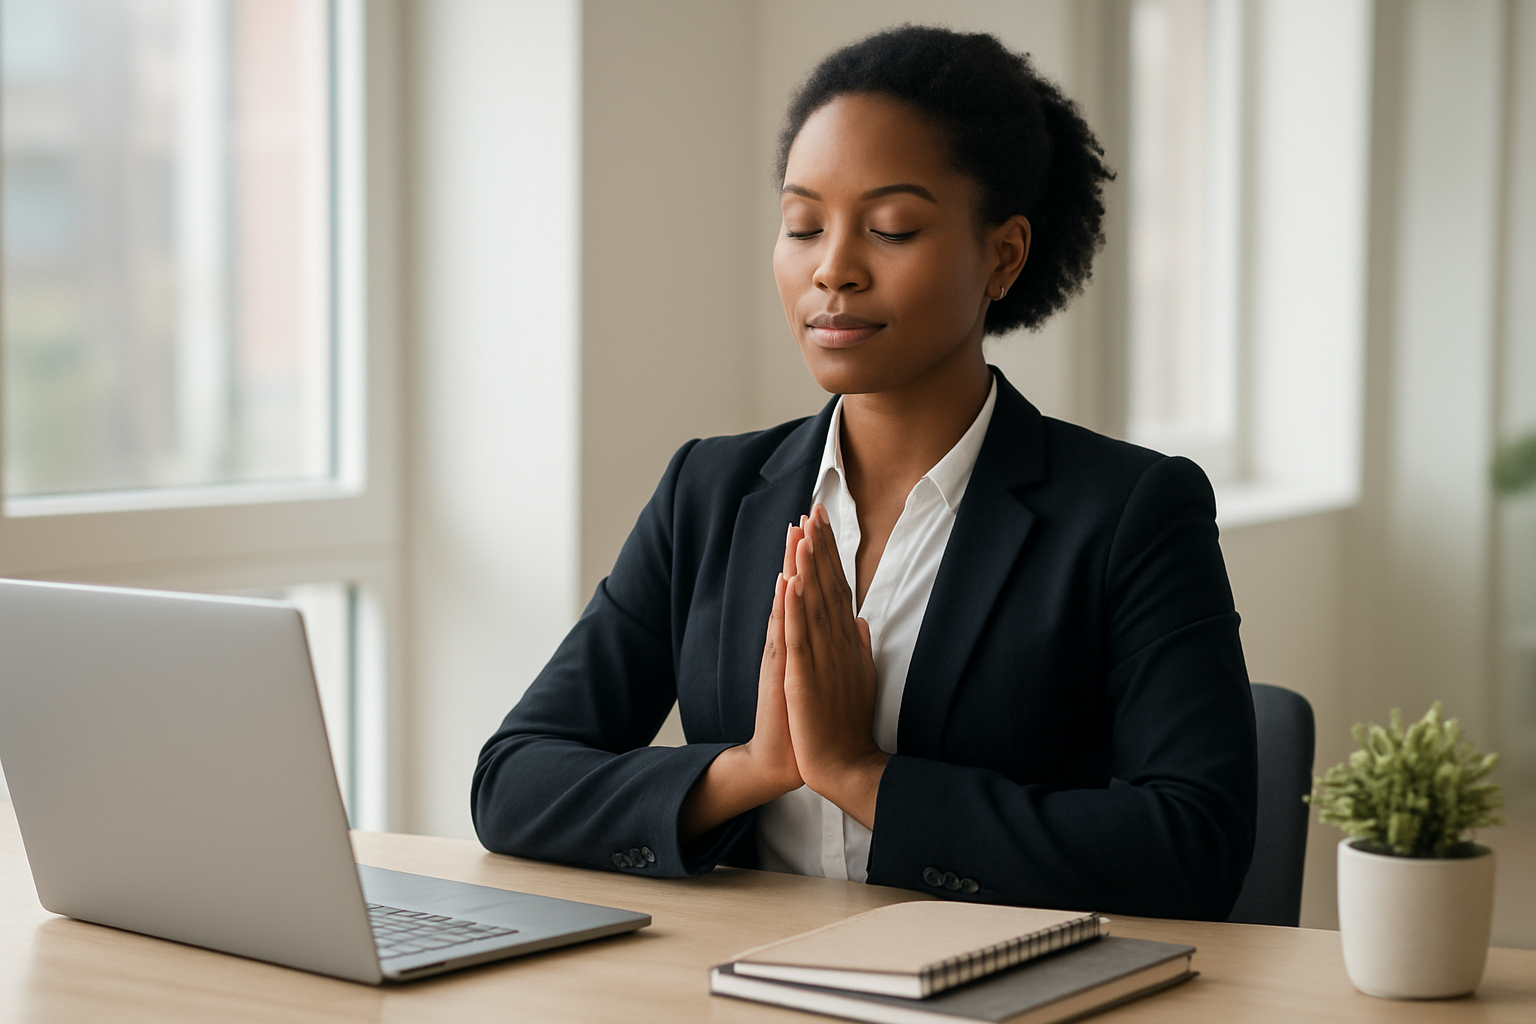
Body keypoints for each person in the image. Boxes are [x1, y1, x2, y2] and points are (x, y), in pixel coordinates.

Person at [472, 25, 1257, 921]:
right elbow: (515, 780)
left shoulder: (1131, 513)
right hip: (737, 985)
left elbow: (1194, 846)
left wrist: (860, 775)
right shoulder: (710, 493)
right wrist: (751, 770)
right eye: (803, 225)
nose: (832, 269)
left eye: (890, 228)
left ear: (1001, 254)